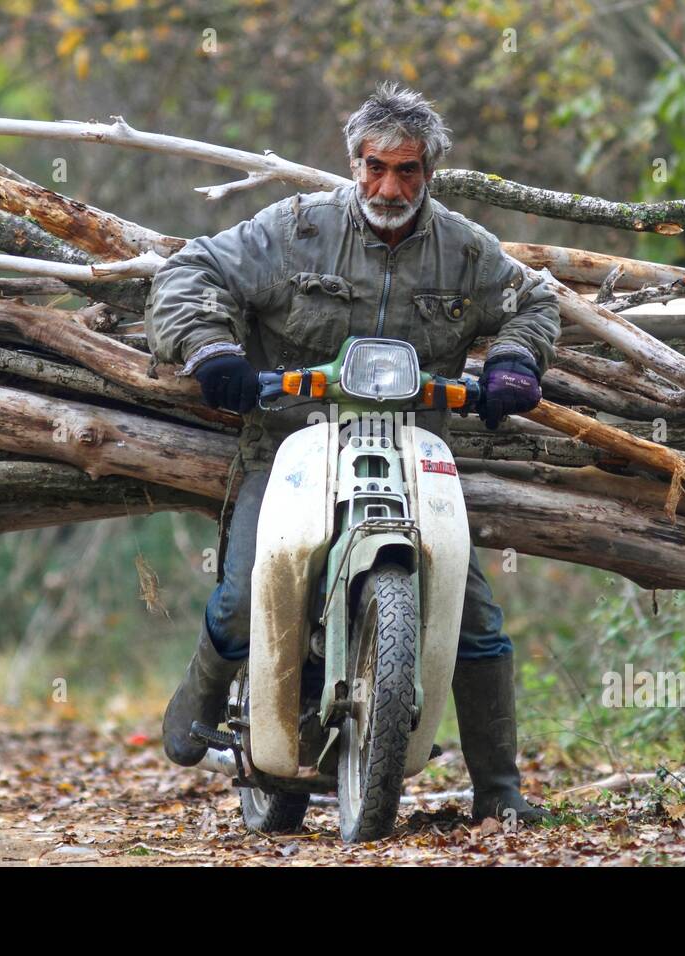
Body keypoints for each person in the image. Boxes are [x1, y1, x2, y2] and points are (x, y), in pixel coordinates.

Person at [144, 81, 560, 823]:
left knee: (476, 622)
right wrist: (211, 350)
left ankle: (499, 794)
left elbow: (533, 300)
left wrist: (514, 364)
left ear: (430, 173)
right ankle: (201, 703)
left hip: (414, 448)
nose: (389, 186)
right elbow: (188, 270)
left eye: (407, 171)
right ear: (352, 162)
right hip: (289, 445)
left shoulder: (466, 251)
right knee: (243, 596)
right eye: (375, 167)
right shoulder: (293, 231)